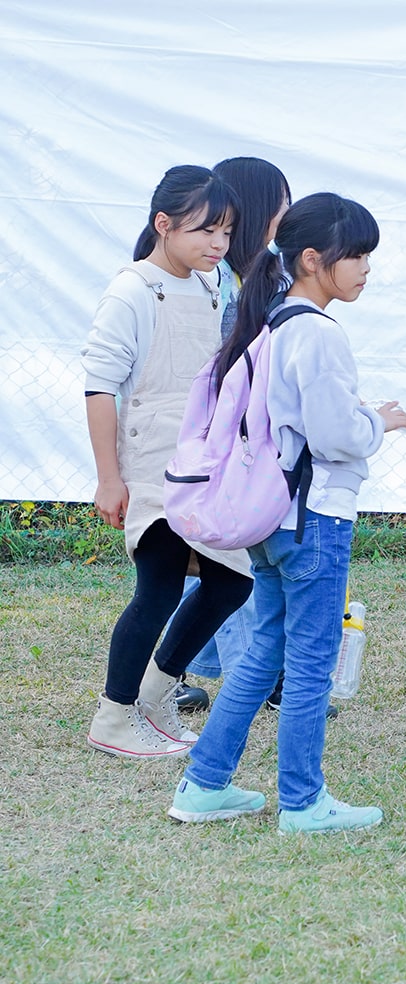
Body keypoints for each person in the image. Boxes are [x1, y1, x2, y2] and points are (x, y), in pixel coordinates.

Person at [165, 192, 406, 833]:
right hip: (316, 519)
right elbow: (337, 436)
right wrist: (379, 422)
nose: (365, 268)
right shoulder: (318, 334)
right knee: (310, 660)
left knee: (265, 651)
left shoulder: (270, 322)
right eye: (355, 255)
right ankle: (303, 802)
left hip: (271, 518)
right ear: (312, 259)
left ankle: (203, 785)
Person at [81, 165, 253, 760]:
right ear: (164, 224)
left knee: (231, 578)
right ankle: (112, 718)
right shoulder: (131, 290)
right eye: (208, 231)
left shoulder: (212, 285)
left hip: (206, 456)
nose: (218, 245)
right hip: (153, 457)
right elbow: (100, 387)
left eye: (227, 233)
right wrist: (109, 478)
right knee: (157, 587)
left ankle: (152, 695)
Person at [168, 156, 294, 712]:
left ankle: (186, 669)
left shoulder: (257, 276)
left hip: (230, 442)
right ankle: (256, 677)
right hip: (214, 443)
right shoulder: (220, 284)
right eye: (282, 207)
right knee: (222, 555)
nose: (287, 219)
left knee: (211, 554)